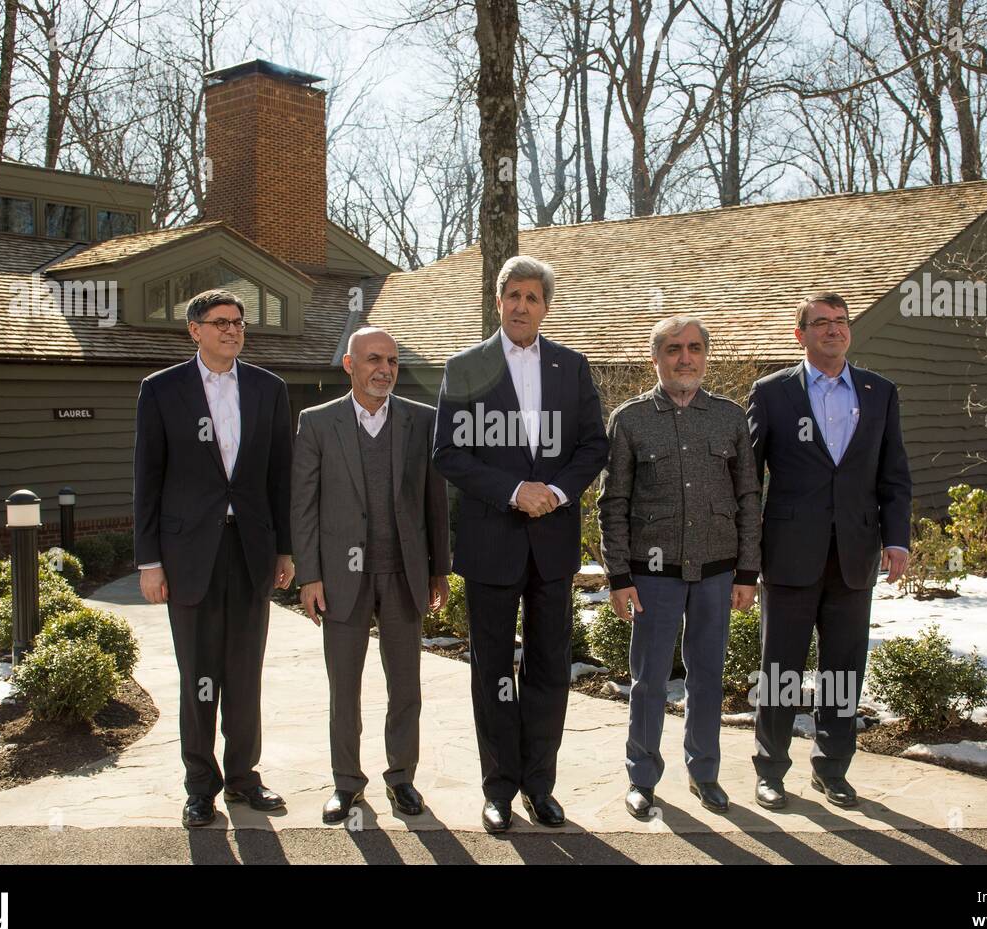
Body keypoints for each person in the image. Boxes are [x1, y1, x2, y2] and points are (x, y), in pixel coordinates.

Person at [433, 255, 609, 833]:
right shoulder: (466, 367)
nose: (521, 305)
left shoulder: (571, 366)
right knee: (492, 670)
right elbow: (449, 454)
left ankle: (540, 785)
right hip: (492, 543)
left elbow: (592, 447)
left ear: (545, 307)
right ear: (498, 300)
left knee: (549, 667)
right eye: (513, 295)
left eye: (532, 297)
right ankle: (498, 789)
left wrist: (554, 492)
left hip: (552, 544)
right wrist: (514, 490)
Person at [133, 288, 294, 828]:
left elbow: (280, 478)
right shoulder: (160, 391)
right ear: (194, 330)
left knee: (244, 673)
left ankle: (245, 779)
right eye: (220, 322)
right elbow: (147, 481)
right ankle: (200, 786)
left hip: (249, 550)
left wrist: (286, 548)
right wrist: (148, 561)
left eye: (239, 323)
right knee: (198, 675)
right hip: (188, 555)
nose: (232, 330)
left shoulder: (269, 389)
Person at [747, 291, 911, 810]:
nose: (834, 330)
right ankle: (770, 770)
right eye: (821, 323)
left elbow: (894, 475)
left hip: (855, 555)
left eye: (841, 322)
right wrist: (746, 558)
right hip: (790, 555)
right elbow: (749, 481)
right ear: (801, 335)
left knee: (843, 669)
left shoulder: (879, 392)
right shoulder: (772, 394)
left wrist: (897, 538)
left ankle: (831, 768)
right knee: (781, 670)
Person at [598, 316, 760, 820]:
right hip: (652, 575)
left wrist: (747, 572)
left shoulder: (730, 419)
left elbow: (749, 497)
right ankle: (641, 777)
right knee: (648, 680)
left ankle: (704, 773)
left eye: (693, 348)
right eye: (673, 349)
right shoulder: (629, 420)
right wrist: (619, 577)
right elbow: (613, 502)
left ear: (706, 356)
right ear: (656, 358)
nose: (684, 358)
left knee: (707, 676)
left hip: (717, 573)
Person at [291, 326, 451, 824]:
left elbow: (434, 503)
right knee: (345, 687)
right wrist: (310, 576)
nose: (384, 369)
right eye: (374, 360)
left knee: (405, 686)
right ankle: (346, 784)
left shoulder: (420, 421)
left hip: (404, 575)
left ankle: (401, 778)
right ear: (350, 365)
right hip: (341, 577)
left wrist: (439, 571)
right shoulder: (317, 422)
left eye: (393, 361)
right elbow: (305, 506)